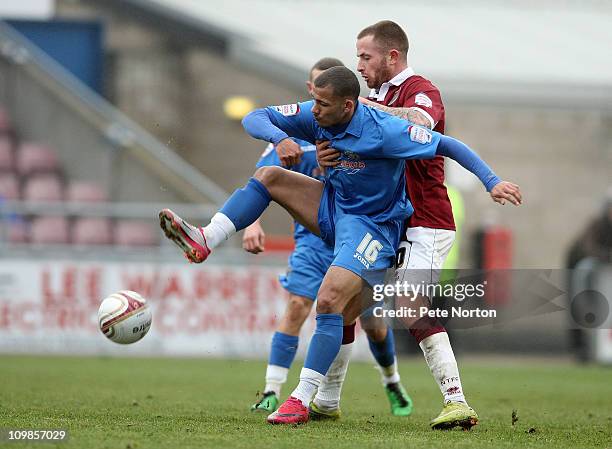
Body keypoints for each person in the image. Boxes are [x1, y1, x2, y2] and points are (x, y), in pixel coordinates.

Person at [158, 66, 522, 426]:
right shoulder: (318, 113)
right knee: (269, 176)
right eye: (313, 101)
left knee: (332, 301)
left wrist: (492, 181)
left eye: (323, 104)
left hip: (373, 228)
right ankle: (207, 239)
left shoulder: (386, 131)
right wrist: (279, 138)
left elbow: (447, 144)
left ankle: (303, 397)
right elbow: (256, 117)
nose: (314, 110)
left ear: (348, 106)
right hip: (332, 207)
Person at [316, 20, 481, 429]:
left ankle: (456, 400)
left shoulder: (420, 90)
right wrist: (323, 156)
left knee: (409, 307)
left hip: (425, 221)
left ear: (392, 56)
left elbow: (420, 124)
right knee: (346, 303)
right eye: (357, 56)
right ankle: (326, 400)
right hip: (386, 221)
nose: (358, 65)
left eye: (365, 56)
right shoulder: (371, 98)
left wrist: (369, 107)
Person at [247, 57, 412, 418]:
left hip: (359, 234)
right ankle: (274, 391)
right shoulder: (299, 129)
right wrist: (252, 223)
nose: (316, 99)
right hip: (312, 238)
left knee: (371, 323)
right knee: (298, 307)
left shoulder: (358, 127)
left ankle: (391, 380)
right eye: (313, 87)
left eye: (324, 94)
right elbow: (263, 180)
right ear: (308, 88)